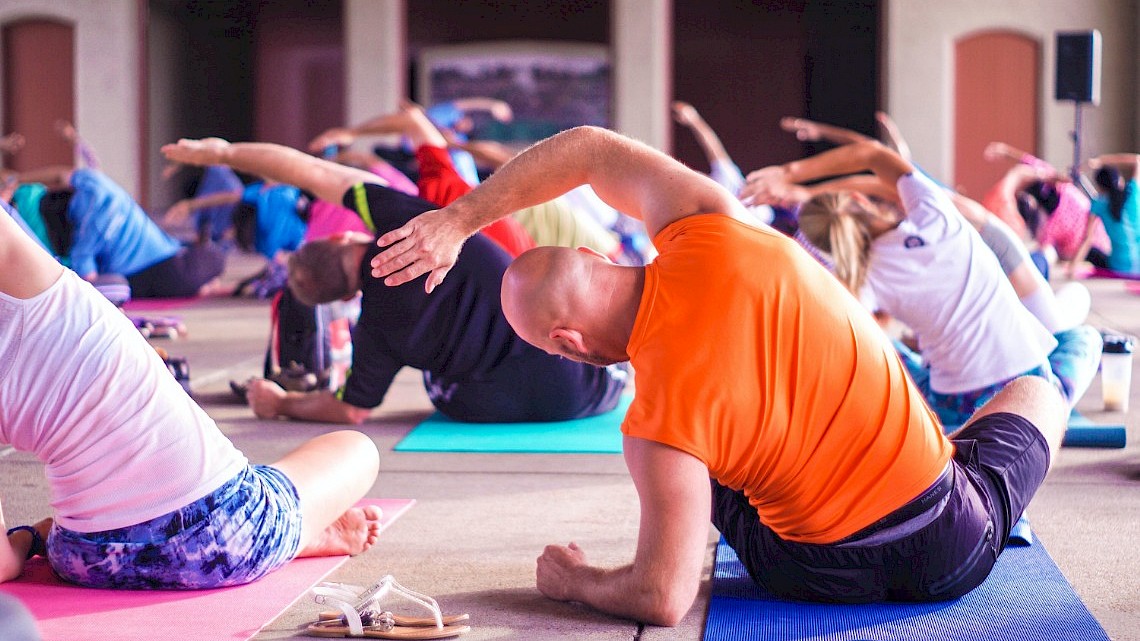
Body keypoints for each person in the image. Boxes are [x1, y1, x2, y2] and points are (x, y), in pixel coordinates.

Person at [364, 125, 1069, 624]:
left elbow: (661, 599)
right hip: (951, 542)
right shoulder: (709, 221)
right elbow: (589, 148)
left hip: (810, 574)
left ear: (566, 341)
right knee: (1037, 389)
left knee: (701, 463)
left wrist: (574, 581)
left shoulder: (654, 429)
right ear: (590, 252)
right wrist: (457, 220)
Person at [0, 204, 382, 590]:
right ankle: (295, 533)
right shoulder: (27, 275)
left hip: (89, 559)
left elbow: (2, 563)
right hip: (223, 537)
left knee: (264, 489)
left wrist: (27, 540)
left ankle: (294, 530)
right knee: (357, 449)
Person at [162, 137, 627, 425]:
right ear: (346, 234)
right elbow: (315, 171)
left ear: (344, 297)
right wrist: (224, 153)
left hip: (493, 408)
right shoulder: (404, 222)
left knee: (436, 382)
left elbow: (350, 409)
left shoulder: (375, 333)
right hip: (587, 382)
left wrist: (281, 402)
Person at [740, 140, 1102, 428]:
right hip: (1028, 385)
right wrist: (791, 175)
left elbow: (850, 346)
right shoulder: (935, 213)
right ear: (856, 199)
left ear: (829, 247)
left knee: (886, 347)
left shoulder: (863, 278)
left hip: (954, 407)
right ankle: (1053, 407)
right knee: (1085, 338)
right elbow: (871, 154)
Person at [11, 164, 227, 298]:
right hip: (161, 257)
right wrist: (19, 178)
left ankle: (199, 282)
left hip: (153, 266)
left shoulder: (84, 240)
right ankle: (201, 281)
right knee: (216, 258)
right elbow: (60, 175)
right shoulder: (96, 184)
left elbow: (87, 283)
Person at [1071, 153, 1140, 278]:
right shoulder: (1133, 192)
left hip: (1117, 267)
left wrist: (1072, 268)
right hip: (1138, 267)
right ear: (1119, 180)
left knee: (1092, 252)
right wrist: (1101, 161)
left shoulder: (1098, 204)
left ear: (1100, 187)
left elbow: (1087, 239)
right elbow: (1137, 160)